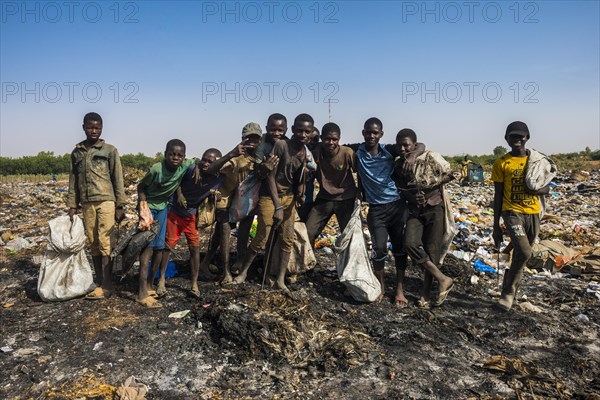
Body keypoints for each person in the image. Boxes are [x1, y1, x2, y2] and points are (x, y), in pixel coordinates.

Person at [233, 113, 312, 293]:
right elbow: (269, 176)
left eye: (307, 131)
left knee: (287, 239)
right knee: (262, 238)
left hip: (289, 197)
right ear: (292, 130)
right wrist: (277, 205)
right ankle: (243, 272)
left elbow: (299, 175)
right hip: (270, 197)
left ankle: (280, 280)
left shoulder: (304, 151)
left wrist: (300, 191)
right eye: (299, 131)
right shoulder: (281, 145)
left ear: (312, 133)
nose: (303, 135)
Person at [352, 117, 423, 304]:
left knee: (399, 248)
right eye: (368, 132)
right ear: (363, 133)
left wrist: (413, 156)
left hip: (397, 206)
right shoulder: (357, 152)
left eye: (375, 133)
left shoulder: (390, 151)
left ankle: (400, 288)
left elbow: (421, 145)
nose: (371, 136)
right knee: (379, 248)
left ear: (381, 135)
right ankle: (380, 286)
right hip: (376, 210)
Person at [492, 121, 550, 311]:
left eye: (520, 136)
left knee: (521, 253)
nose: (516, 139)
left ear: (527, 138)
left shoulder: (537, 161)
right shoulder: (502, 163)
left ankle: (510, 293)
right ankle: (508, 293)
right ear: (506, 139)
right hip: (511, 212)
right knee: (525, 251)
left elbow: (547, 188)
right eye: (512, 136)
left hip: (533, 213)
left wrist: (534, 190)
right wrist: (495, 226)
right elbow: (498, 194)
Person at [67, 112, 125, 300]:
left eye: (97, 127)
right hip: (86, 202)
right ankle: (99, 281)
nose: (94, 131)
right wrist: (72, 204)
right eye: (90, 127)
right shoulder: (77, 152)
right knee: (93, 241)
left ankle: (108, 284)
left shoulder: (109, 150)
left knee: (106, 241)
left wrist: (120, 204)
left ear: (101, 128)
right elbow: (73, 180)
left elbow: (118, 177)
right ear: (83, 127)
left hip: (106, 200)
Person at [395, 128, 455, 308]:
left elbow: (450, 174)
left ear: (414, 145)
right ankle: (443, 279)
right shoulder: (398, 164)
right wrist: (414, 197)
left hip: (434, 208)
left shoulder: (430, 157)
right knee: (410, 244)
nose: (403, 149)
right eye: (400, 146)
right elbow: (402, 190)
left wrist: (429, 188)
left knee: (432, 250)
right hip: (415, 210)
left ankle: (426, 294)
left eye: (406, 145)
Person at [199, 123, 262, 284]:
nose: (252, 142)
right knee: (223, 235)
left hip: (246, 203)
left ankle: (236, 262)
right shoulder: (236, 159)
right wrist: (231, 153)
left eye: (256, 138)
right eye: (249, 139)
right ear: (243, 140)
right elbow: (212, 169)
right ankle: (225, 271)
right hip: (226, 200)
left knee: (243, 235)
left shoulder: (260, 158)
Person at [136, 139, 194, 308]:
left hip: (163, 208)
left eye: (179, 155)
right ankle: (141, 293)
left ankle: (149, 285)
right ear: (165, 154)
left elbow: (197, 164)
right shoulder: (156, 169)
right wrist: (143, 207)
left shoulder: (185, 165)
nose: (175, 158)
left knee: (160, 248)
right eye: (172, 154)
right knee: (147, 248)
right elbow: (141, 187)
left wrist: (195, 171)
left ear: (183, 157)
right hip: (150, 208)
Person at [162, 148, 223, 298]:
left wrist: (212, 198)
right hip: (175, 211)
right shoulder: (191, 169)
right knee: (168, 246)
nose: (206, 163)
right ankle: (161, 281)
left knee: (194, 248)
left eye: (210, 161)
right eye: (204, 159)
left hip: (191, 215)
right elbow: (176, 180)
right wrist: (180, 193)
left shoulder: (219, 178)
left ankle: (194, 284)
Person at [305, 122, 357, 246]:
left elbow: (359, 171)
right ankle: (309, 263)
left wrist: (359, 192)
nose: (331, 142)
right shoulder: (316, 153)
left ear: (339, 139)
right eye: (327, 139)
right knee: (308, 233)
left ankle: (347, 265)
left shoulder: (347, 153)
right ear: (322, 138)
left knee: (348, 236)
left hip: (346, 198)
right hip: (325, 198)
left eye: (334, 139)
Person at [297, 126, 320, 222]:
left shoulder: (315, 154)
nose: (312, 142)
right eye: (310, 139)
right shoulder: (297, 151)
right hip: (296, 197)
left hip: (308, 198)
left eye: (315, 140)